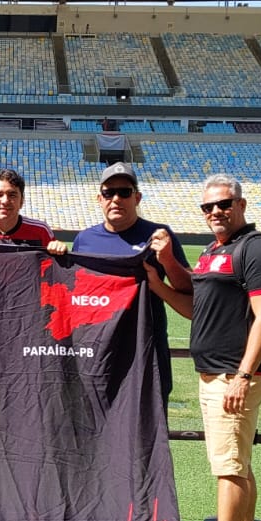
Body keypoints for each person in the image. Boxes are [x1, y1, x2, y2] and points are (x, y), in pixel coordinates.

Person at [158, 174, 261, 521]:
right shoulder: (215, 250)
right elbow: (198, 311)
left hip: (234, 377)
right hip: (216, 372)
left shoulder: (256, 249)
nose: (216, 212)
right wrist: (156, 282)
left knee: (228, 467)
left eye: (224, 204)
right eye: (208, 207)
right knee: (239, 462)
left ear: (242, 204)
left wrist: (243, 374)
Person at [70, 161, 192, 397]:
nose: (116, 199)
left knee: (148, 424)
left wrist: (167, 259)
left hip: (145, 350)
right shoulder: (84, 239)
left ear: (137, 198)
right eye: (109, 192)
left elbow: (189, 289)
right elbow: (78, 296)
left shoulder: (158, 234)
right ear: (100, 198)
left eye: (124, 192)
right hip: (98, 349)